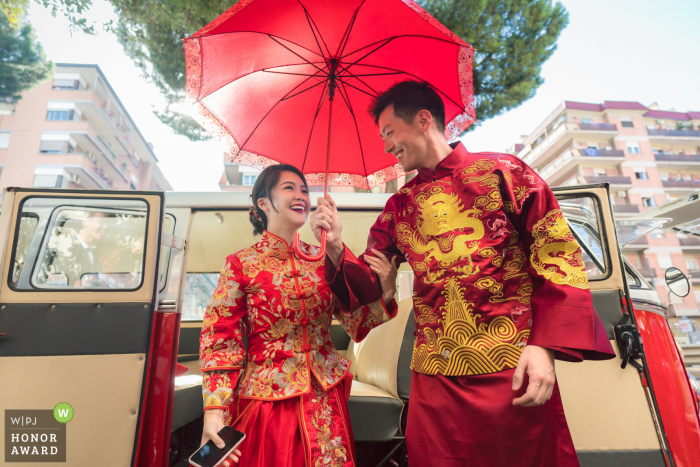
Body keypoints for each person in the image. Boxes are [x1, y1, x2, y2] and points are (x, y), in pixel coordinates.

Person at [310, 80, 616, 466]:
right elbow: (370, 283)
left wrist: (543, 348)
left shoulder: (504, 172)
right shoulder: (399, 206)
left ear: (423, 120)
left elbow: (556, 258)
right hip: (435, 375)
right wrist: (336, 245)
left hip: (510, 362)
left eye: (389, 133)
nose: (386, 147)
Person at [198, 164, 399, 467]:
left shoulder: (323, 260)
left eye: (304, 189)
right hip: (267, 403)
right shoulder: (241, 264)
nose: (301, 195)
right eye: (289, 188)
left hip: (324, 401)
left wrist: (386, 291)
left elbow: (355, 323)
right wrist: (214, 412)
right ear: (263, 203)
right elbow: (219, 340)